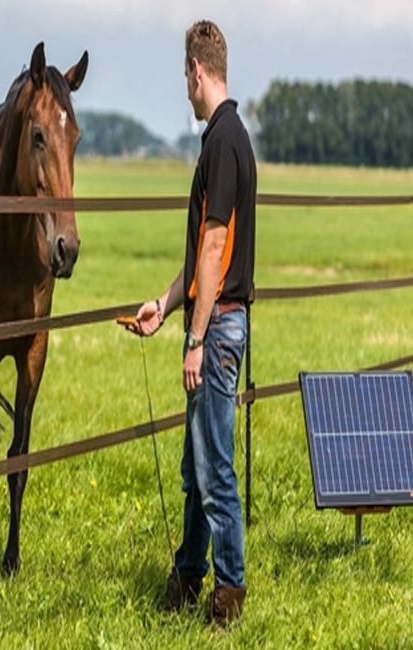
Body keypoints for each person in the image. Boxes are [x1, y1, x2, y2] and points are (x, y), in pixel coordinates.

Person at [127, 20, 256, 626]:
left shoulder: (223, 140)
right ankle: (187, 573)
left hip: (220, 329)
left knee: (215, 469)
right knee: (197, 466)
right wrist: (165, 303)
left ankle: (228, 595)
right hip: (215, 320)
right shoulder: (224, 138)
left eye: (184, 74)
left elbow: (215, 244)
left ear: (195, 72)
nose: (183, 84)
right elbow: (203, 261)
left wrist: (197, 339)